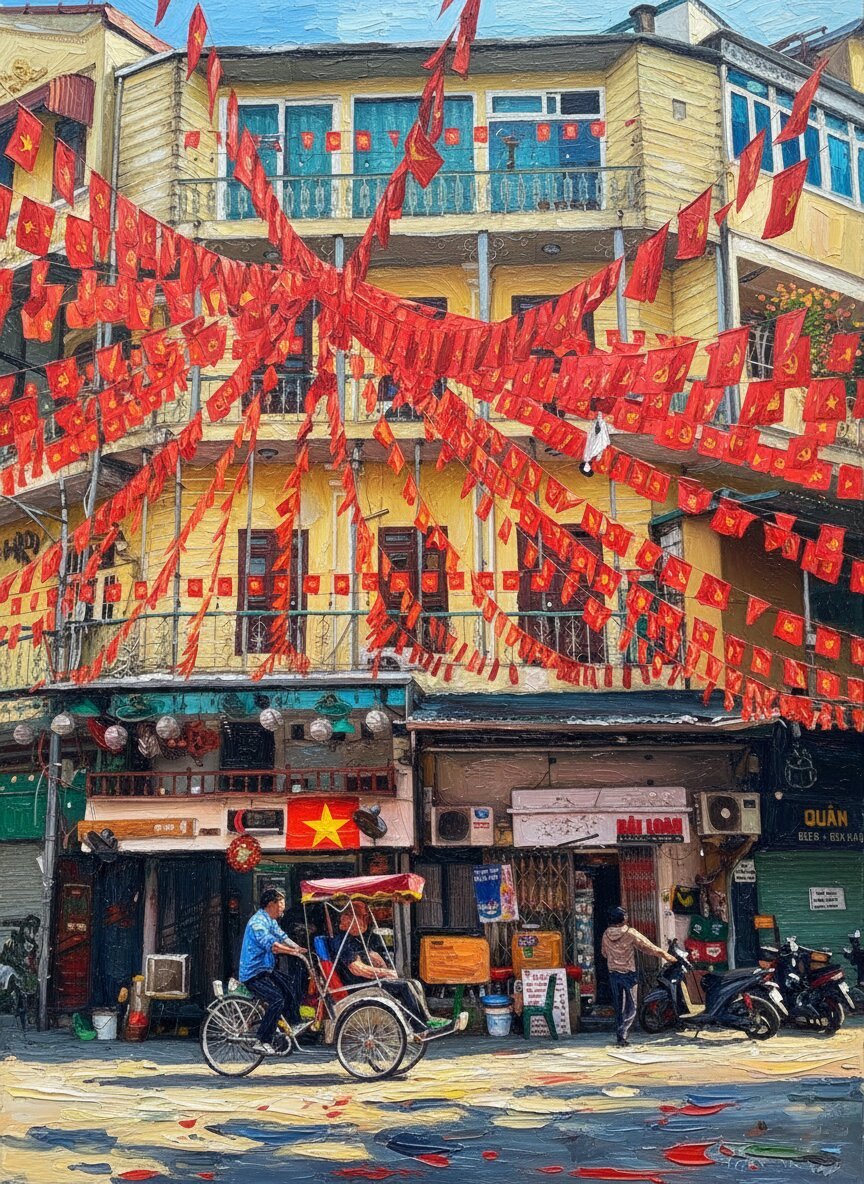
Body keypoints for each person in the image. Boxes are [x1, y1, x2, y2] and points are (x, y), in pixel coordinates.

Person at [335, 902, 431, 1031]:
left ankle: (424, 1019)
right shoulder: (341, 940)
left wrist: (385, 969)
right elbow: (357, 968)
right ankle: (419, 1026)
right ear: (348, 917)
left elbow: (373, 956)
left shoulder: (358, 938)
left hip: (368, 981)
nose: (366, 921)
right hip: (357, 984)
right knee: (404, 986)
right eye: (362, 917)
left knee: (412, 983)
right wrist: (384, 973)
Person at [239, 888, 310, 1055]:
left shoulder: (270, 920)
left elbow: (281, 936)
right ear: (271, 904)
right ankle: (261, 1040)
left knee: (289, 984)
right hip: (253, 973)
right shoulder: (257, 923)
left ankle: (294, 1022)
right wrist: (292, 952)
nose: (283, 909)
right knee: (276, 1000)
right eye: (281, 905)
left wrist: (297, 947)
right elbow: (273, 945)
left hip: (265, 969)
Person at [601, 906, 676, 1047]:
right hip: (628, 974)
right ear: (623, 919)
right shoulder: (630, 932)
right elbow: (647, 946)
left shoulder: (606, 934)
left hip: (613, 973)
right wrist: (665, 955)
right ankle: (623, 1034)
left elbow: (604, 953)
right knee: (631, 1006)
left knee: (618, 1005)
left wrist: (614, 956)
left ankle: (619, 1033)